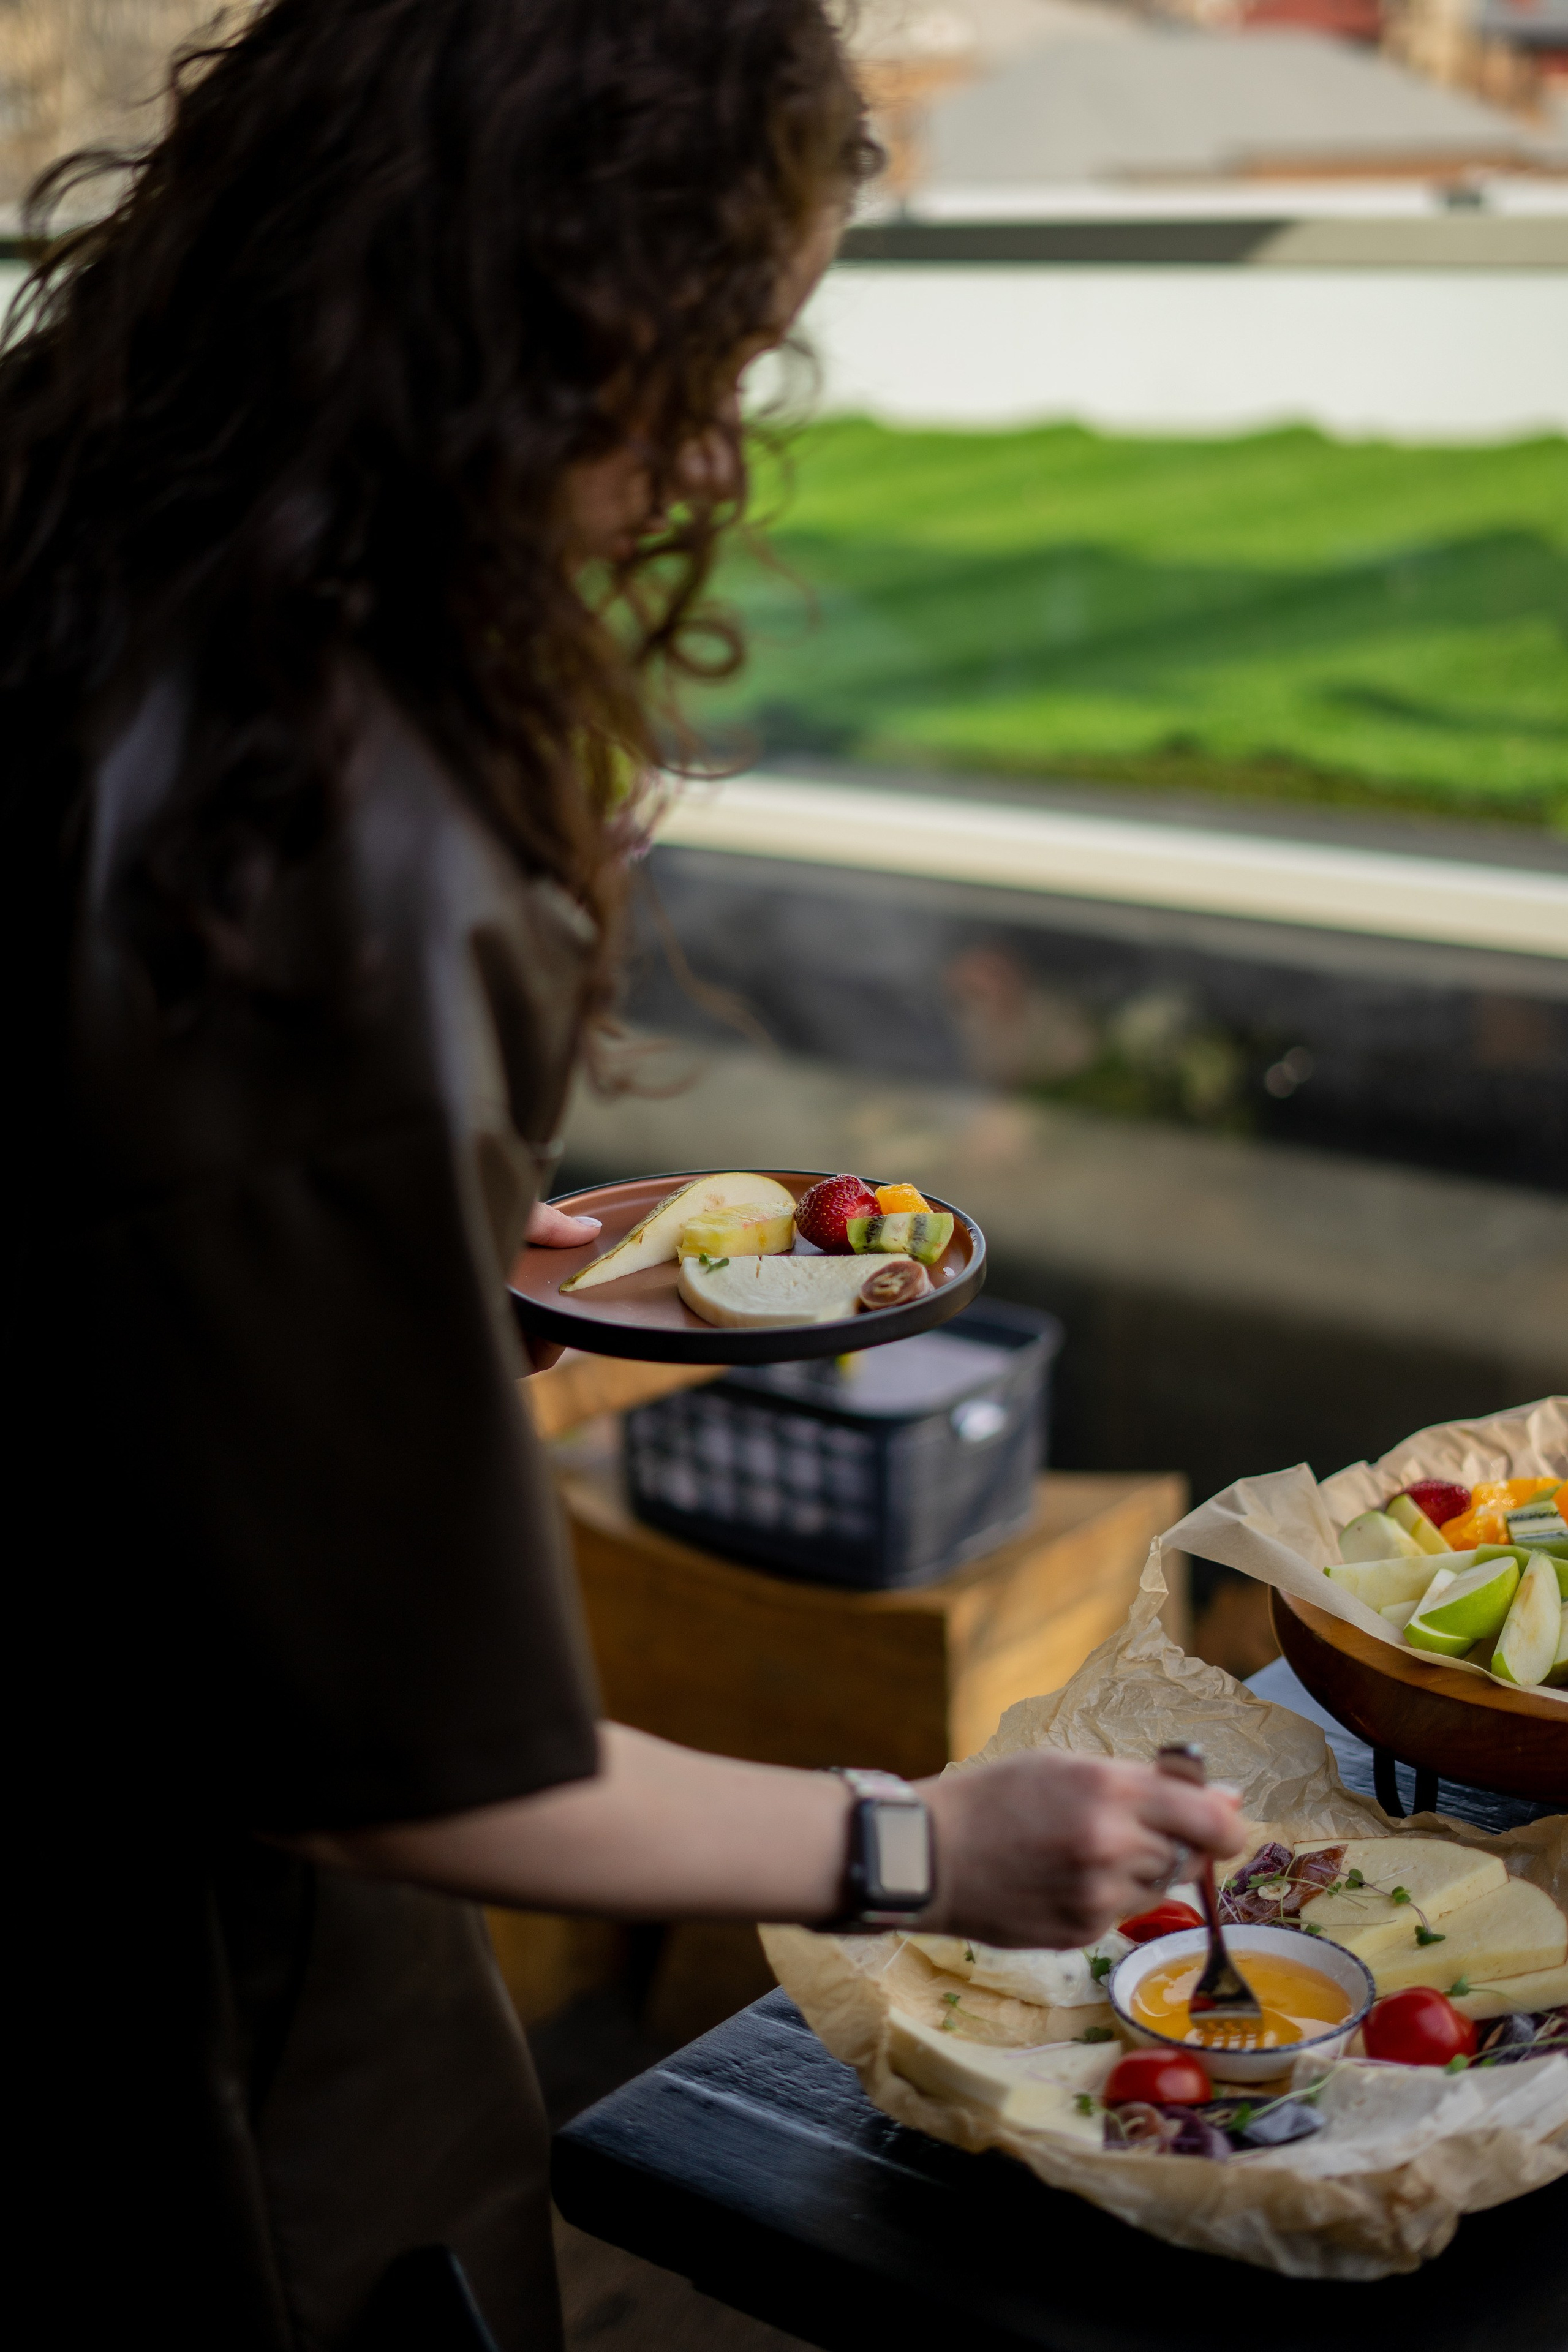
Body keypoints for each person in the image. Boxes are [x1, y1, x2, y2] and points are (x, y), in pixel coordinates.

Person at [1, 4, 1241, 2344]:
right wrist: (923, 1843)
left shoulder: (72, 541)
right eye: (690, 375)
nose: (696, 477)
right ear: (511, 325)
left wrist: (413, 1263)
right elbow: (390, 1766)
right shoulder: (332, 848)